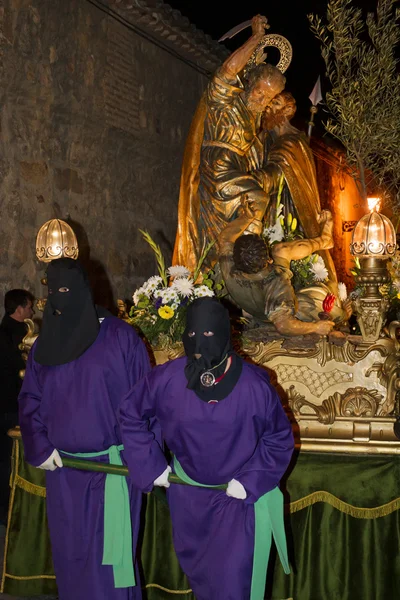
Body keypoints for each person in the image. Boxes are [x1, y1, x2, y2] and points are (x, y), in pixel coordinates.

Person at [119, 297, 294, 600]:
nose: (199, 343)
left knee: (232, 585)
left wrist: (251, 480)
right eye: (191, 334)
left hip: (236, 503)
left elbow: (278, 438)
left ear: (225, 334)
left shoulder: (255, 386)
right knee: (203, 583)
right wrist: (150, 464)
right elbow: (130, 414)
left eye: (209, 334)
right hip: (188, 498)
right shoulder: (165, 379)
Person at [19, 258, 151, 600]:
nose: (60, 299)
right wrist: (40, 446)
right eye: (53, 290)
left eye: (67, 290)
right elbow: (30, 398)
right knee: (72, 559)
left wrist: (142, 462)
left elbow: (145, 405)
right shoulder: (44, 345)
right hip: (63, 472)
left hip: (112, 472)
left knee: (111, 567)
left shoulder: (121, 338)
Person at [173, 14, 285, 272]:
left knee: (246, 214)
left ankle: (238, 264)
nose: (263, 99)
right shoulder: (223, 101)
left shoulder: (253, 117)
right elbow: (227, 71)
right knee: (256, 197)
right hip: (218, 169)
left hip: (234, 170)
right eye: (260, 91)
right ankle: (248, 262)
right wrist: (256, 38)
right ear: (249, 82)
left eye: (269, 97)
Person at [218, 197, 342, 336]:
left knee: (280, 251)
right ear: (268, 259)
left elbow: (225, 238)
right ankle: (324, 240)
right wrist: (316, 327)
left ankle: (325, 241)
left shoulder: (229, 268)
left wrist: (246, 217)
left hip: (255, 307)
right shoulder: (276, 282)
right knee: (283, 251)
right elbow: (284, 325)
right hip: (283, 313)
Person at [261, 90, 338, 290]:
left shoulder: (290, 142)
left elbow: (274, 176)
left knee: (284, 244)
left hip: (289, 207)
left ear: (287, 111)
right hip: (274, 206)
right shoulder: (272, 141)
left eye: (275, 102)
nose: (268, 106)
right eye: (268, 102)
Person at [0, 289, 34, 522]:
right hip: (12, 406)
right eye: (30, 307)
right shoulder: (20, 336)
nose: (32, 311)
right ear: (20, 309)